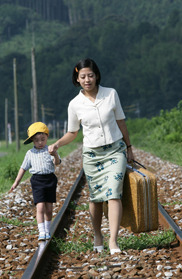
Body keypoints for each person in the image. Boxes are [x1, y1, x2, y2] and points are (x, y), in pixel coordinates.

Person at [48, 58, 134, 254]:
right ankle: (97, 235)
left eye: (90, 75)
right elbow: (72, 132)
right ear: (77, 79)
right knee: (95, 198)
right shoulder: (75, 104)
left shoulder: (111, 94)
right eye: (83, 76)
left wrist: (129, 147)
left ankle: (113, 241)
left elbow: (121, 122)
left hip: (114, 150)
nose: (87, 80)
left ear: (97, 76)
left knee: (114, 192)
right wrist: (57, 144)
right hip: (92, 155)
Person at [11, 122, 61, 241]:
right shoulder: (30, 153)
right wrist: (16, 182)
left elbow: (57, 163)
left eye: (42, 139)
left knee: (49, 208)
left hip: (50, 179)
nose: (40, 143)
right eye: (37, 140)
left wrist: (55, 155)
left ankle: (48, 229)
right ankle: (41, 231)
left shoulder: (50, 150)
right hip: (37, 181)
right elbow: (23, 168)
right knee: (40, 207)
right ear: (32, 140)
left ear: (47, 137)